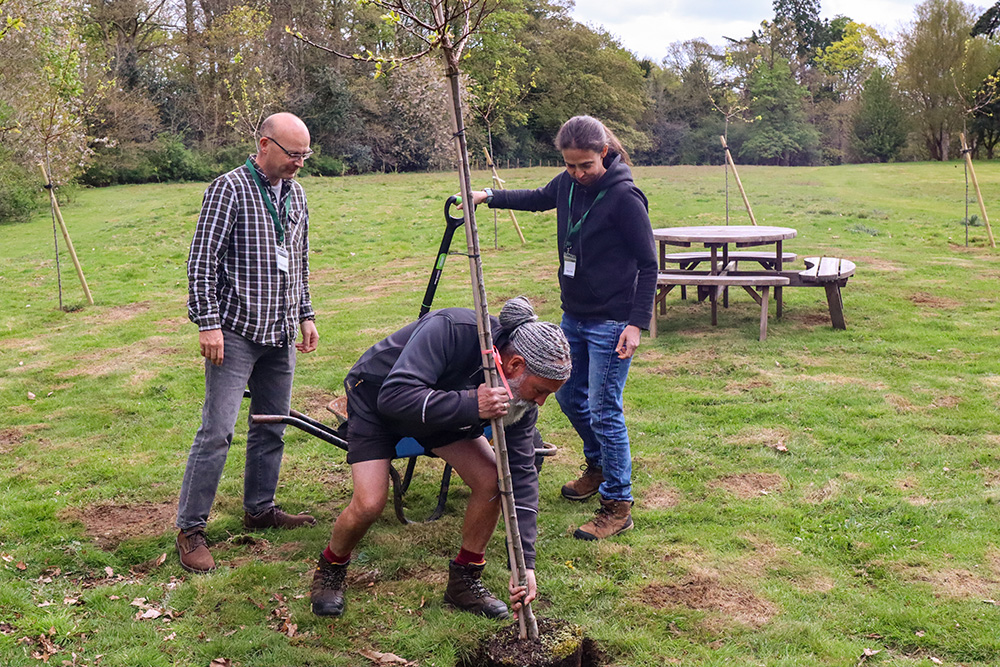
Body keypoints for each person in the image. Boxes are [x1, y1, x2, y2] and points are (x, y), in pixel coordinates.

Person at [310, 297, 571, 619]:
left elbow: (521, 473)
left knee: (492, 481)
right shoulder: (452, 329)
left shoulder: (521, 400)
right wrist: (472, 405)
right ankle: (331, 566)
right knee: (369, 504)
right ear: (515, 365)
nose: (542, 402)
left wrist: (525, 564)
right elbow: (394, 397)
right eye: (540, 390)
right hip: (377, 401)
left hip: (444, 411)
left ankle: (464, 580)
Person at [464, 115, 657, 541]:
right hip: (575, 314)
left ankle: (617, 504)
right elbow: (537, 197)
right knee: (568, 395)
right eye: (570, 165)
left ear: (604, 153)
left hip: (612, 321)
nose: (577, 173)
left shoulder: (625, 197)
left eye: (585, 165)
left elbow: (649, 264)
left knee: (605, 408)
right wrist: (488, 196)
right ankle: (600, 464)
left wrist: (636, 324)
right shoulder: (568, 183)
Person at [176, 112, 320, 573]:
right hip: (235, 332)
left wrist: (306, 313)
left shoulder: (296, 195)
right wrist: (208, 323)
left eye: (305, 155)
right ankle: (190, 528)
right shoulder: (228, 188)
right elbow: (201, 262)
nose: (300, 163)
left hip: (279, 334)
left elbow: (298, 262)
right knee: (217, 431)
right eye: (293, 154)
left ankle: (260, 509)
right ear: (265, 144)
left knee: (272, 424)